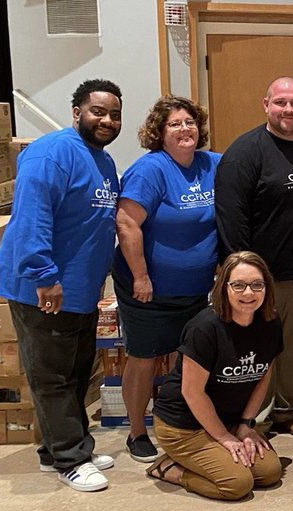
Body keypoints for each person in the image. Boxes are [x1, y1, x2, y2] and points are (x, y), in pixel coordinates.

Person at [0, 79, 123, 492]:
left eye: (114, 114)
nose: (106, 120)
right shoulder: (50, 154)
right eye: (97, 111)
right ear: (76, 112)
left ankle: (61, 448)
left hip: (80, 290)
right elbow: (32, 217)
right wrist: (44, 276)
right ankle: (70, 457)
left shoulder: (103, 161)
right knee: (52, 376)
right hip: (44, 289)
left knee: (77, 371)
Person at [216, 76, 293, 438]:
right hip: (262, 278)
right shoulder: (244, 152)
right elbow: (230, 216)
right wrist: (242, 275)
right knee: (254, 348)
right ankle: (246, 417)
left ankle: (290, 411)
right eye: (281, 102)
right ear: (265, 104)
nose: (289, 110)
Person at [113, 95, 220, 463]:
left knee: (186, 359)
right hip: (148, 290)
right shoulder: (151, 170)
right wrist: (141, 277)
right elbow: (127, 224)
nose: (184, 129)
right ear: (159, 133)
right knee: (143, 357)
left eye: (189, 122)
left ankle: (177, 423)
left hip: (194, 291)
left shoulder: (212, 165)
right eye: (174, 124)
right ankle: (137, 432)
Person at [146, 252, 284, 501]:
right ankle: (171, 468)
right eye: (238, 285)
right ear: (224, 287)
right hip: (184, 425)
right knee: (237, 485)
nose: (248, 294)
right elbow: (192, 392)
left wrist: (245, 426)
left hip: (228, 419)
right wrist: (223, 438)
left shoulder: (271, 323)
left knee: (270, 472)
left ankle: (209, 455)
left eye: (257, 285)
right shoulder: (205, 327)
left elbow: (263, 376)